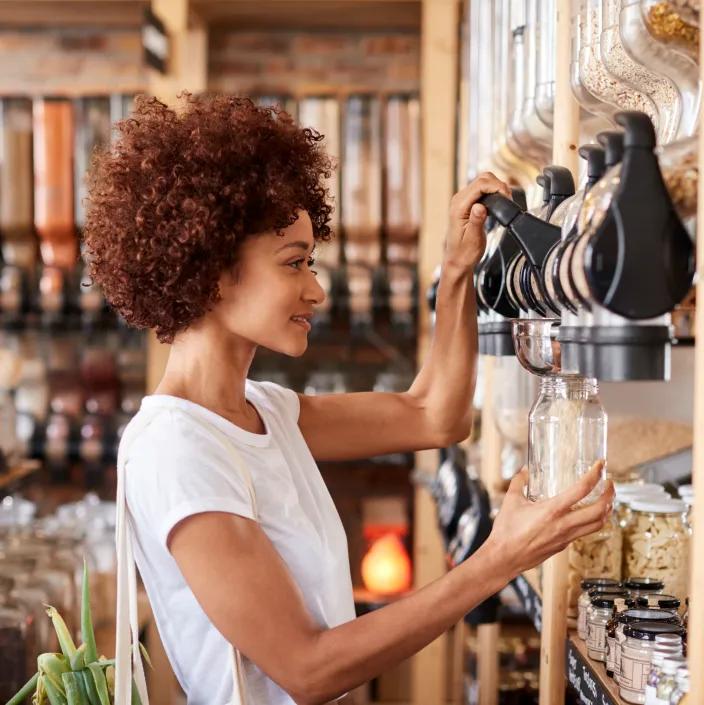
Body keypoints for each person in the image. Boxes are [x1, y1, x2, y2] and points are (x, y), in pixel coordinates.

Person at [83, 93, 614, 705]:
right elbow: (306, 670)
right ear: (210, 271)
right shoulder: (178, 450)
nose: (316, 289)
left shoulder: (264, 413)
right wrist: (499, 559)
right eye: (295, 263)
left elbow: (434, 416)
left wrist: (457, 268)